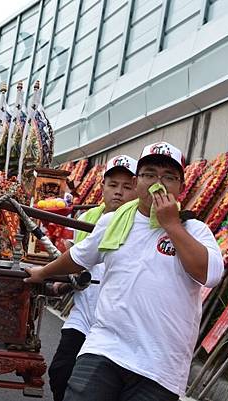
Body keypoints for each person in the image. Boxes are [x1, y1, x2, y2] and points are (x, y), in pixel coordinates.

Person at [26, 141, 224, 401]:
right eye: (150, 174)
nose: (158, 183)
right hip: (106, 347)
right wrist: (43, 273)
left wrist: (172, 226)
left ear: (182, 188)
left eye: (168, 177)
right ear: (138, 181)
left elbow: (210, 274)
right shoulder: (112, 222)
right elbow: (78, 257)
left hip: (160, 366)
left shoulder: (194, 230)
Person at [48, 155, 138, 401]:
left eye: (127, 187)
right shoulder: (86, 220)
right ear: (102, 187)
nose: (118, 192)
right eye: (113, 185)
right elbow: (72, 257)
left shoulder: (141, 223)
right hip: (85, 313)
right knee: (60, 372)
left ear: (137, 189)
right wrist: (58, 277)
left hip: (118, 321)